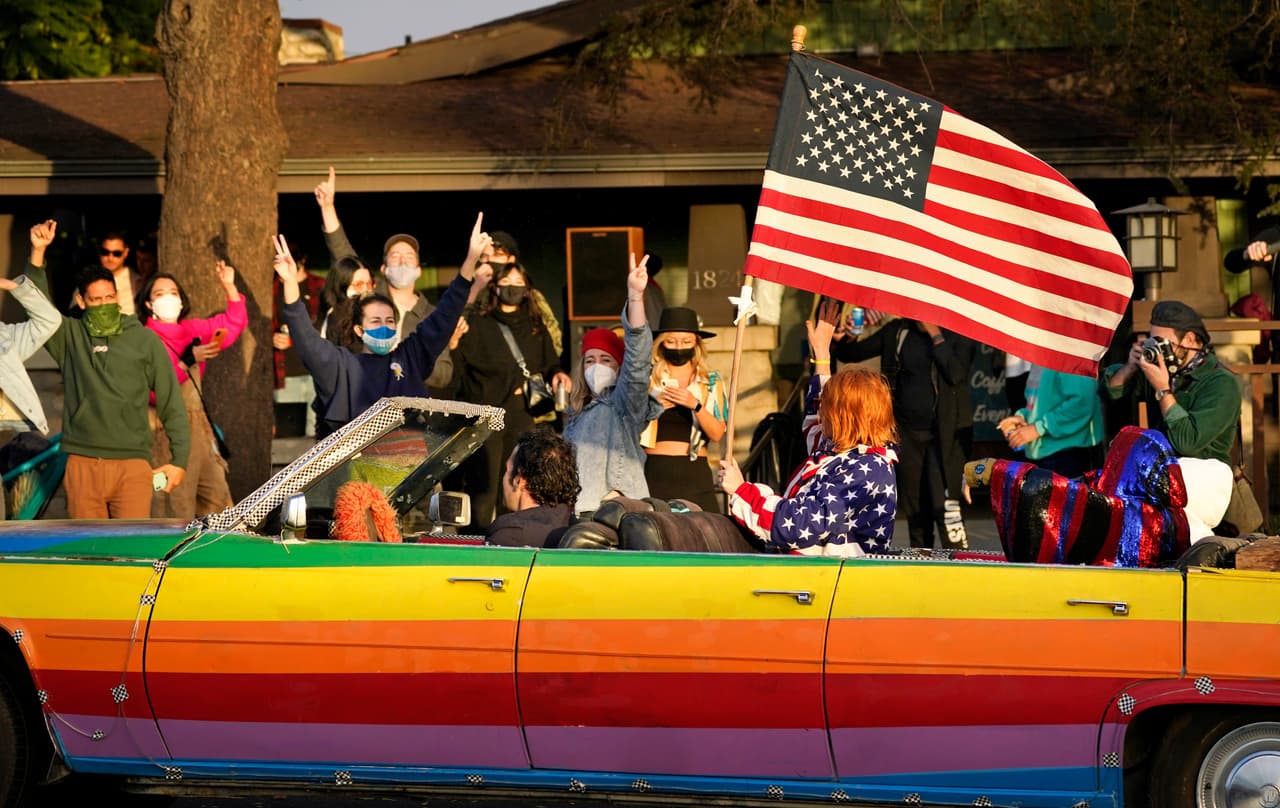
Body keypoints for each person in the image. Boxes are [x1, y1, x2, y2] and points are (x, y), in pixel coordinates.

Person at [26, 220, 188, 518]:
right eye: (96, 300)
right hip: (83, 462)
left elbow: (171, 402)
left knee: (132, 544)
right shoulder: (70, 336)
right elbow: (37, 307)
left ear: (118, 296)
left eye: (110, 298)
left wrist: (180, 460)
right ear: (81, 301)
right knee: (89, 545)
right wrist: (38, 252)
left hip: (133, 463)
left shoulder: (143, 339)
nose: (104, 304)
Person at [274, 215, 487, 436]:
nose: (384, 326)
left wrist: (471, 259)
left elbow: (445, 314)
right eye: (375, 321)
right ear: (359, 329)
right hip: (358, 456)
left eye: (389, 320)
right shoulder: (340, 365)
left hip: (410, 454)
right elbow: (305, 337)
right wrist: (290, 282)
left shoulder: (410, 358)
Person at [719, 299, 898, 555]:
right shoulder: (844, 452)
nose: (820, 410)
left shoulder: (867, 469)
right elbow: (815, 426)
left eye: (828, 406)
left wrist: (742, 491)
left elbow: (796, 525)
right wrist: (822, 356)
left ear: (846, 417)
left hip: (834, 577)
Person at [834, 308, 974, 549]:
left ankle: (959, 561)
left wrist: (936, 335)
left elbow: (956, 374)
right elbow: (851, 354)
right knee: (915, 508)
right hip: (907, 434)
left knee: (946, 506)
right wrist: (847, 338)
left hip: (944, 437)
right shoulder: (898, 331)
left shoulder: (958, 332)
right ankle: (921, 559)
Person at [451, 260, 570, 527]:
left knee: (518, 484)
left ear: (527, 289)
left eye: (518, 283)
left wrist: (558, 375)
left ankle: (511, 535)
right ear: (495, 287)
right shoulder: (479, 324)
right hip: (485, 415)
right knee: (484, 488)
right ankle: (477, 539)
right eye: (506, 282)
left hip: (521, 414)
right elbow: (458, 371)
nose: (512, 288)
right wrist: (454, 343)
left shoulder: (535, 325)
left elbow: (550, 363)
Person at [313, 167, 454, 393]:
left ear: (419, 270)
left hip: (408, 405)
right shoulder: (369, 295)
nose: (402, 261)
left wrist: (407, 357)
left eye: (409, 257)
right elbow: (344, 255)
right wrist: (328, 208)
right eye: (395, 256)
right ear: (383, 269)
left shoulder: (431, 316)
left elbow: (444, 373)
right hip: (363, 400)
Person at [139, 262, 247, 520]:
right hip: (164, 430)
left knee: (218, 499)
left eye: (174, 293)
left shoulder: (192, 330)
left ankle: (218, 544)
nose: (168, 298)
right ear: (148, 304)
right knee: (171, 502)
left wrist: (229, 286)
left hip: (200, 429)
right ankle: (168, 546)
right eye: (160, 294)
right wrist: (187, 361)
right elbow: (151, 392)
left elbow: (233, 323)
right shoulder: (143, 338)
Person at [562, 253, 662, 513]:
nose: (597, 366)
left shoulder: (625, 404)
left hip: (620, 515)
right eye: (590, 360)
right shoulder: (575, 413)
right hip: (581, 514)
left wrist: (635, 297)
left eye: (606, 360)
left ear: (619, 368)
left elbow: (638, 358)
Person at [1104, 300, 1239, 465]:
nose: (1158, 351)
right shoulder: (1161, 368)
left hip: (1203, 471)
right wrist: (1130, 367)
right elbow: (1110, 393)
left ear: (1189, 339)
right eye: (1154, 342)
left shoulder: (1221, 383)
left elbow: (1187, 443)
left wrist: (1163, 390)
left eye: (1163, 344)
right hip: (1161, 468)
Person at [639, 306, 727, 512]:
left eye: (686, 341)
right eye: (671, 341)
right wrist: (654, 408)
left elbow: (717, 433)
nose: (679, 347)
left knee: (703, 529)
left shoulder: (710, 381)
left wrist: (695, 405)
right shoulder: (646, 379)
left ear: (696, 343)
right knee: (654, 528)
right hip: (654, 469)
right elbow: (627, 428)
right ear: (661, 344)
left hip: (694, 470)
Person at [997, 362, 1104, 479]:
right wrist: (1023, 418)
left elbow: (1082, 404)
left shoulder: (1072, 356)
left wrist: (1038, 428)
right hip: (1043, 454)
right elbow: (1037, 401)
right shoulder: (1041, 359)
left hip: (1067, 456)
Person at [486, 425, 581, 547]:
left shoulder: (508, 538)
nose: (503, 478)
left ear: (520, 481)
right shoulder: (576, 530)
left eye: (507, 470)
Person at [317, 256, 376, 348]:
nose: (366, 289)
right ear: (341, 285)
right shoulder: (338, 318)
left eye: (369, 283)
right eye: (358, 284)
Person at [96, 230, 139, 316]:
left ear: (126, 252)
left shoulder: (137, 282)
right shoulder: (89, 279)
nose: (110, 258)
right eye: (105, 252)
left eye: (117, 253)